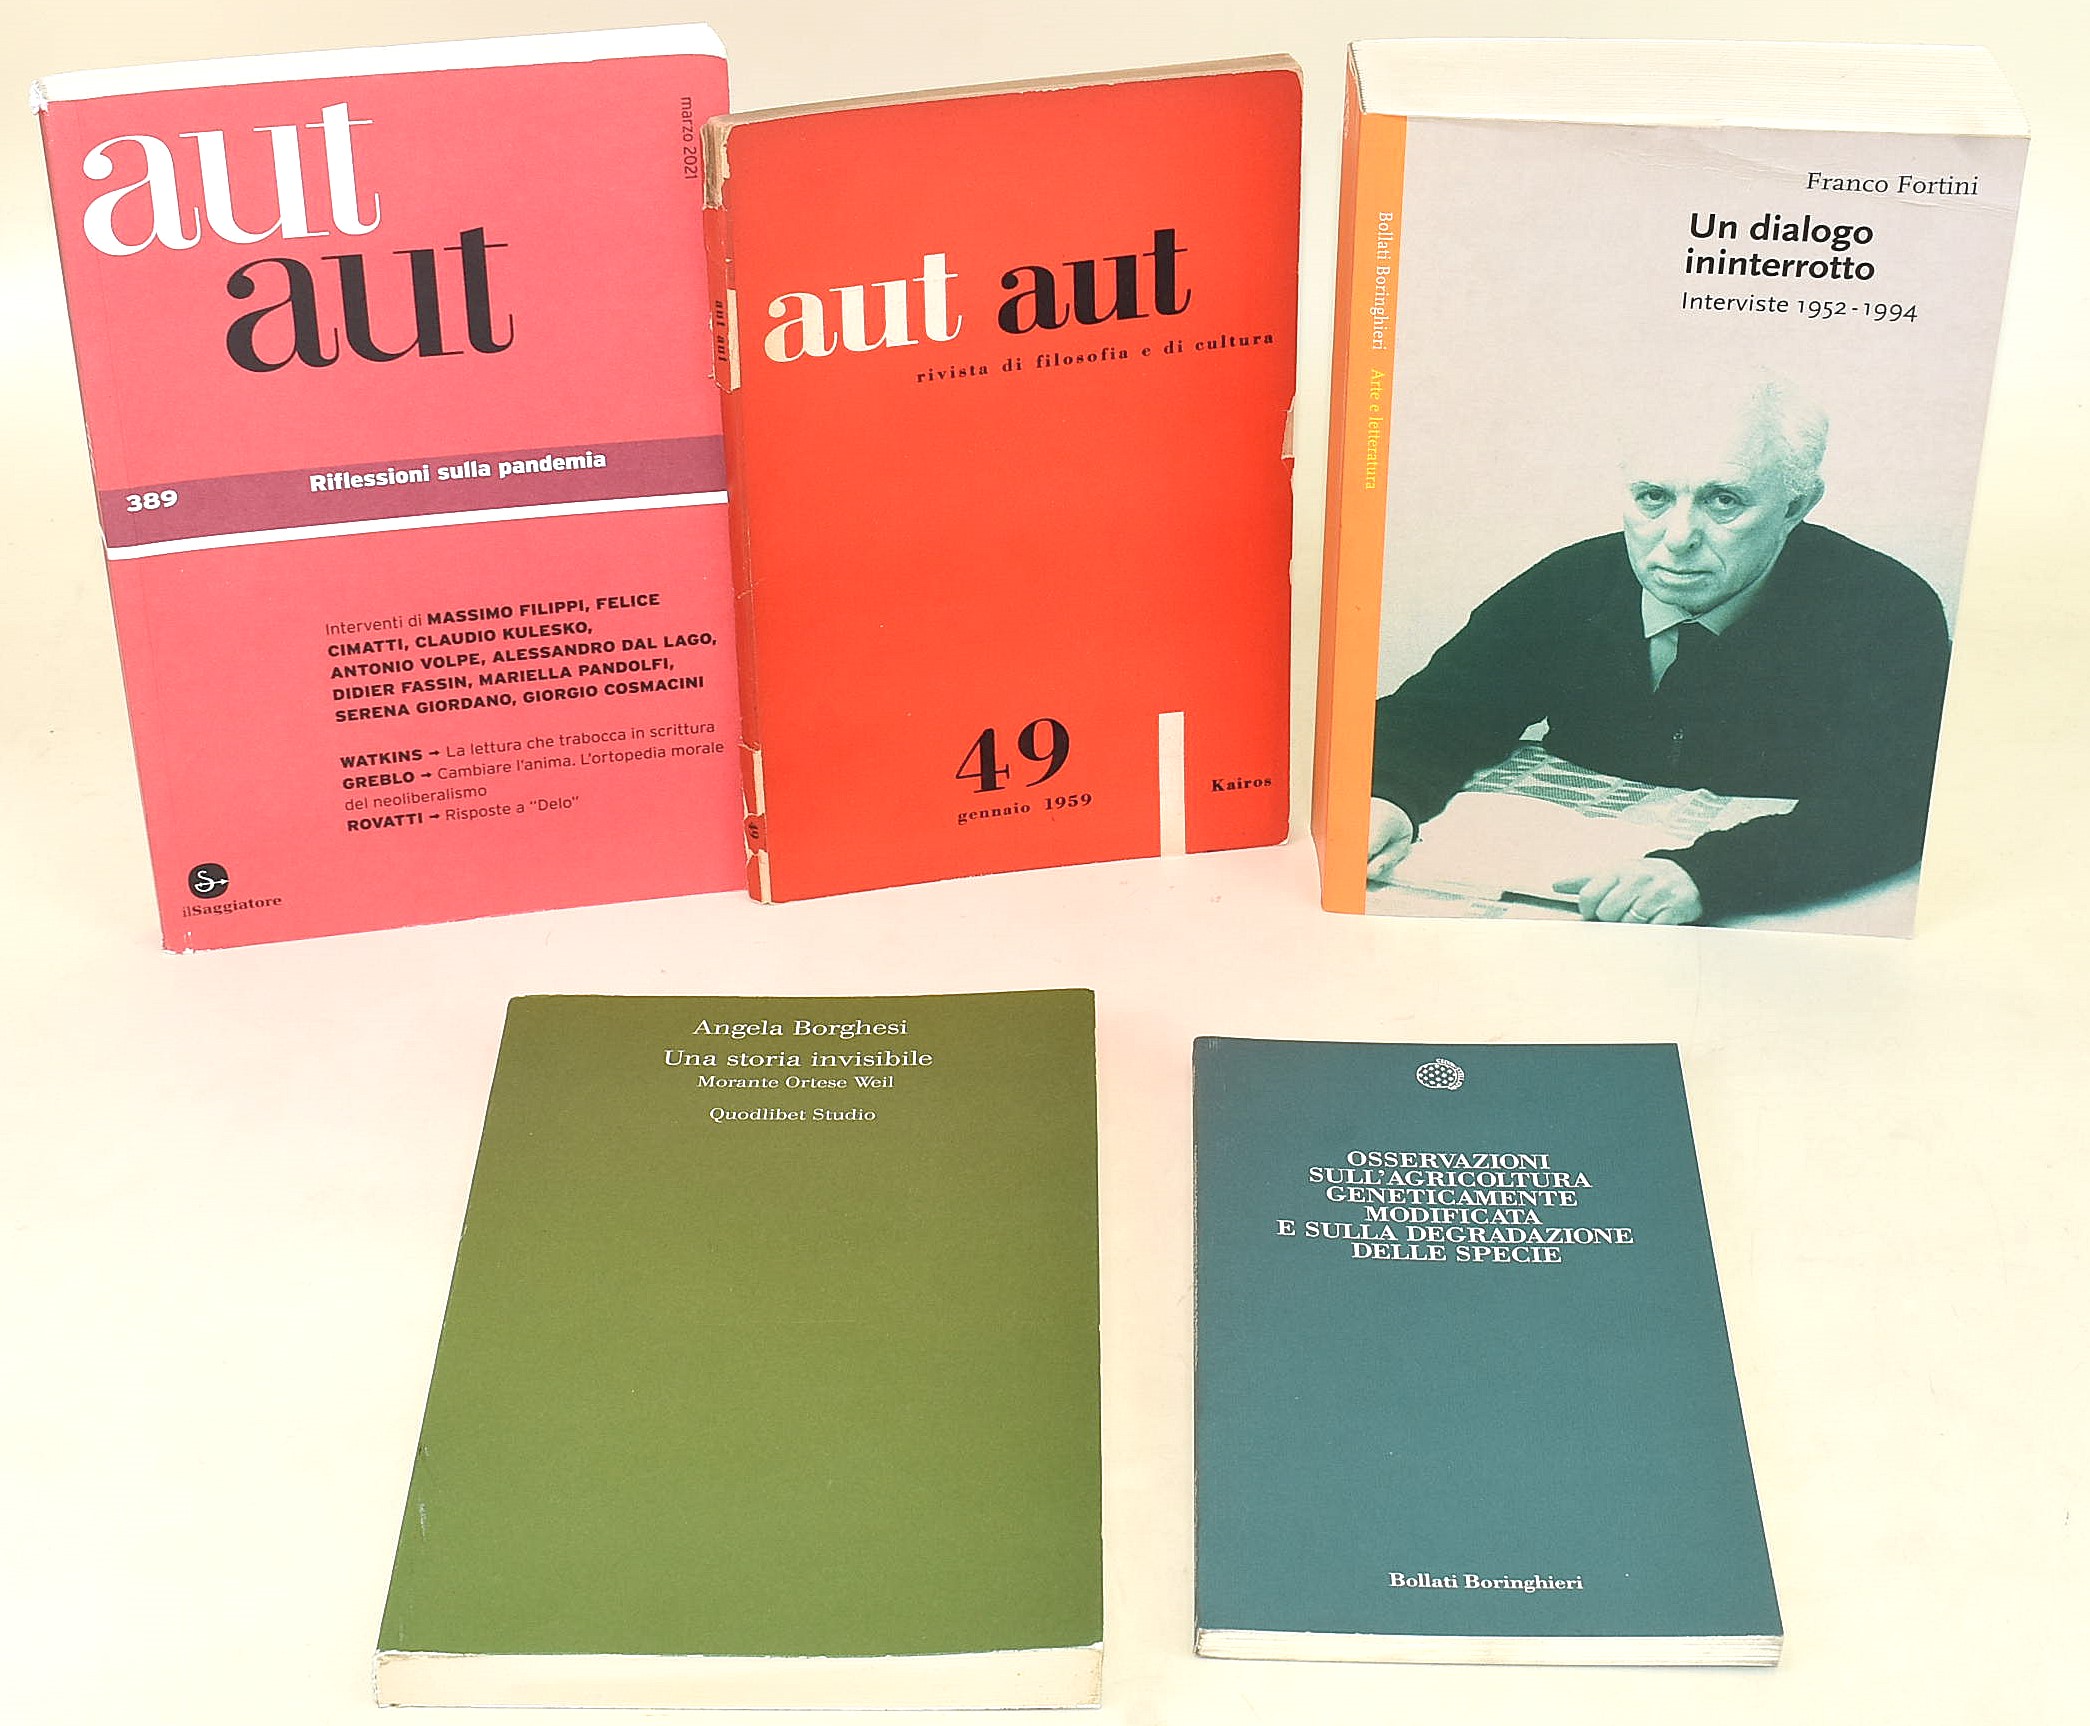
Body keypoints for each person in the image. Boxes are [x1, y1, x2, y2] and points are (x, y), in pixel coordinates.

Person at [1366, 377, 1952, 924]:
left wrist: (1711, 875)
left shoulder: (1885, 608)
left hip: (1763, 912)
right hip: (1550, 887)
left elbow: (1894, 801)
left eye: (1724, 500)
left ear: (1796, 505)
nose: (1677, 539)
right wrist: (1387, 796)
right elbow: (1435, 716)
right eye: (1653, 497)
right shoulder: (1570, 582)